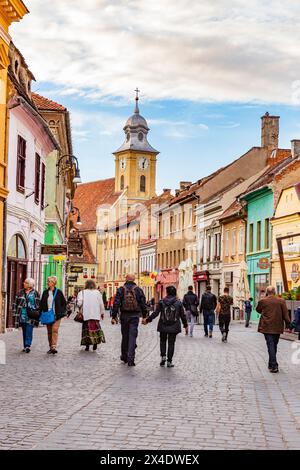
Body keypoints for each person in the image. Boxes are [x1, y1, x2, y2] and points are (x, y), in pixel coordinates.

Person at [143, 285, 188, 367]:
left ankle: (163, 356)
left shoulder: (162, 302)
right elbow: (182, 315)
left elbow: (155, 313)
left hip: (163, 324)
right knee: (171, 343)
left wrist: (147, 320)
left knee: (162, 341)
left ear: (167, 292)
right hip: (174, 325)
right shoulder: (178, 303)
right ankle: (169, 361)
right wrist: (185, 325)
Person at [112, 274, 148, 366]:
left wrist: (114, 316)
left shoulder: (121, 289)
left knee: (125, 336)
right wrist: (144, 316)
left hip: (124, 315)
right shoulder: (138, 290)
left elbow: (116, 303)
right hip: (135, 316)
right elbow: (143, 304)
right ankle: (131, 359)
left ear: (126, 279)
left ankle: (124, 356)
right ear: (134, 279)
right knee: (132, 337)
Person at [256, 286, 291, 373]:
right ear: (275, 292)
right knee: (273, 344)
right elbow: (285, 314)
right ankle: (273, 364)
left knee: (271, 345)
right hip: (277, 326)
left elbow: (258, 310)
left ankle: (272, 364)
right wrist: (288, 324)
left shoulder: (263, 301)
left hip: (266, 326)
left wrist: (265, 311)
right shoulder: (281, 301)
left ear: (267, 292)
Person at [40, 276, 67, 354]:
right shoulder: (45, 292)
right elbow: (41, 303)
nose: (48, 283)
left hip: (56, 315)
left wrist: (62, 312)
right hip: (47, 314)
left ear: (53, 283)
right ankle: (50, 346)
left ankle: (54, 346)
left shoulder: (58, 292)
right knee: (49, 331)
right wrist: (40, 313)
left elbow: (63, 303)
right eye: (48, 281)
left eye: (49, 281)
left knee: (54, 330)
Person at [77, 280, 106, 351]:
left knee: (87, 330)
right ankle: (95, 343)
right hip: (95, 315)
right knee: (95, 330)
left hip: (86, 315)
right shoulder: (97, 292)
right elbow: (101, 304)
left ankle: (87, 346)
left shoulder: (82, 292)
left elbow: (79, 303)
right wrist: (102, 313)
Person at [13, 278, 40, 353]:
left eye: (25, 283)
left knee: (29, 329)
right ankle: (25, 346)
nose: (23, 283)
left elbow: (38, 304)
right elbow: (15, 303)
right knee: (24, 330)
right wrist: (14, 312)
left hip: (31, 314)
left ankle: (28, 345)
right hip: (22, 314)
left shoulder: (35, 293)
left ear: (29, 285)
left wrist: (38, 313)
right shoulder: (20, 292)